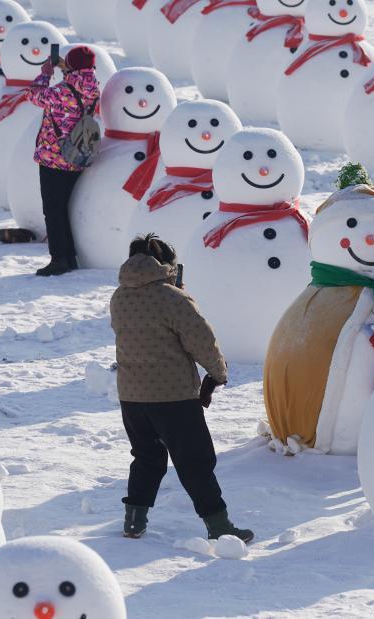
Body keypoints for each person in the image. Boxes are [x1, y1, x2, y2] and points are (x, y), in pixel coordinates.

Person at [110, 234, 253, 543]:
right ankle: (219, 526)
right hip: (173, 396)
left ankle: (133, 520)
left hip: (132, 396)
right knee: (195, 462)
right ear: (166, 264)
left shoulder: (119, 296)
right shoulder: (173, 298)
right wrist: (218, 373)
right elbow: (202, 340)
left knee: (147, 457)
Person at [26, 46, 100, 276]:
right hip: (77, 154)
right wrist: (66, 69)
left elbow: (33, 94)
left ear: (71, 66)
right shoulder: (94, 87)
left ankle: (60, 259)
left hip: (53, 157)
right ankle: (69, 257)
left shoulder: (61, 90)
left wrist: (46, 72)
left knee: (53, 210)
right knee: (62, 208)